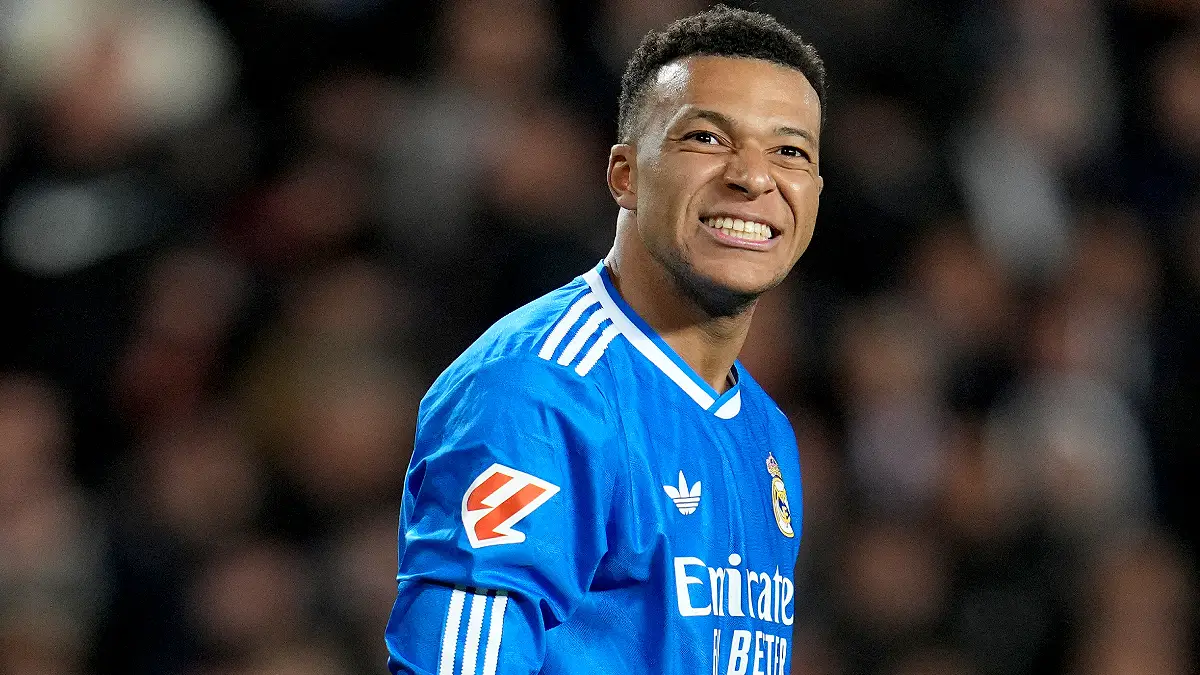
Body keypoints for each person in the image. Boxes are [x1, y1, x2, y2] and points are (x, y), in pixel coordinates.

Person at [384, 5, 826, 674]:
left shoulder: (767, 431)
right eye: (707, 138)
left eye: (790, 150)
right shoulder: (539, 390)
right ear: (625, 174)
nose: (753, 176)